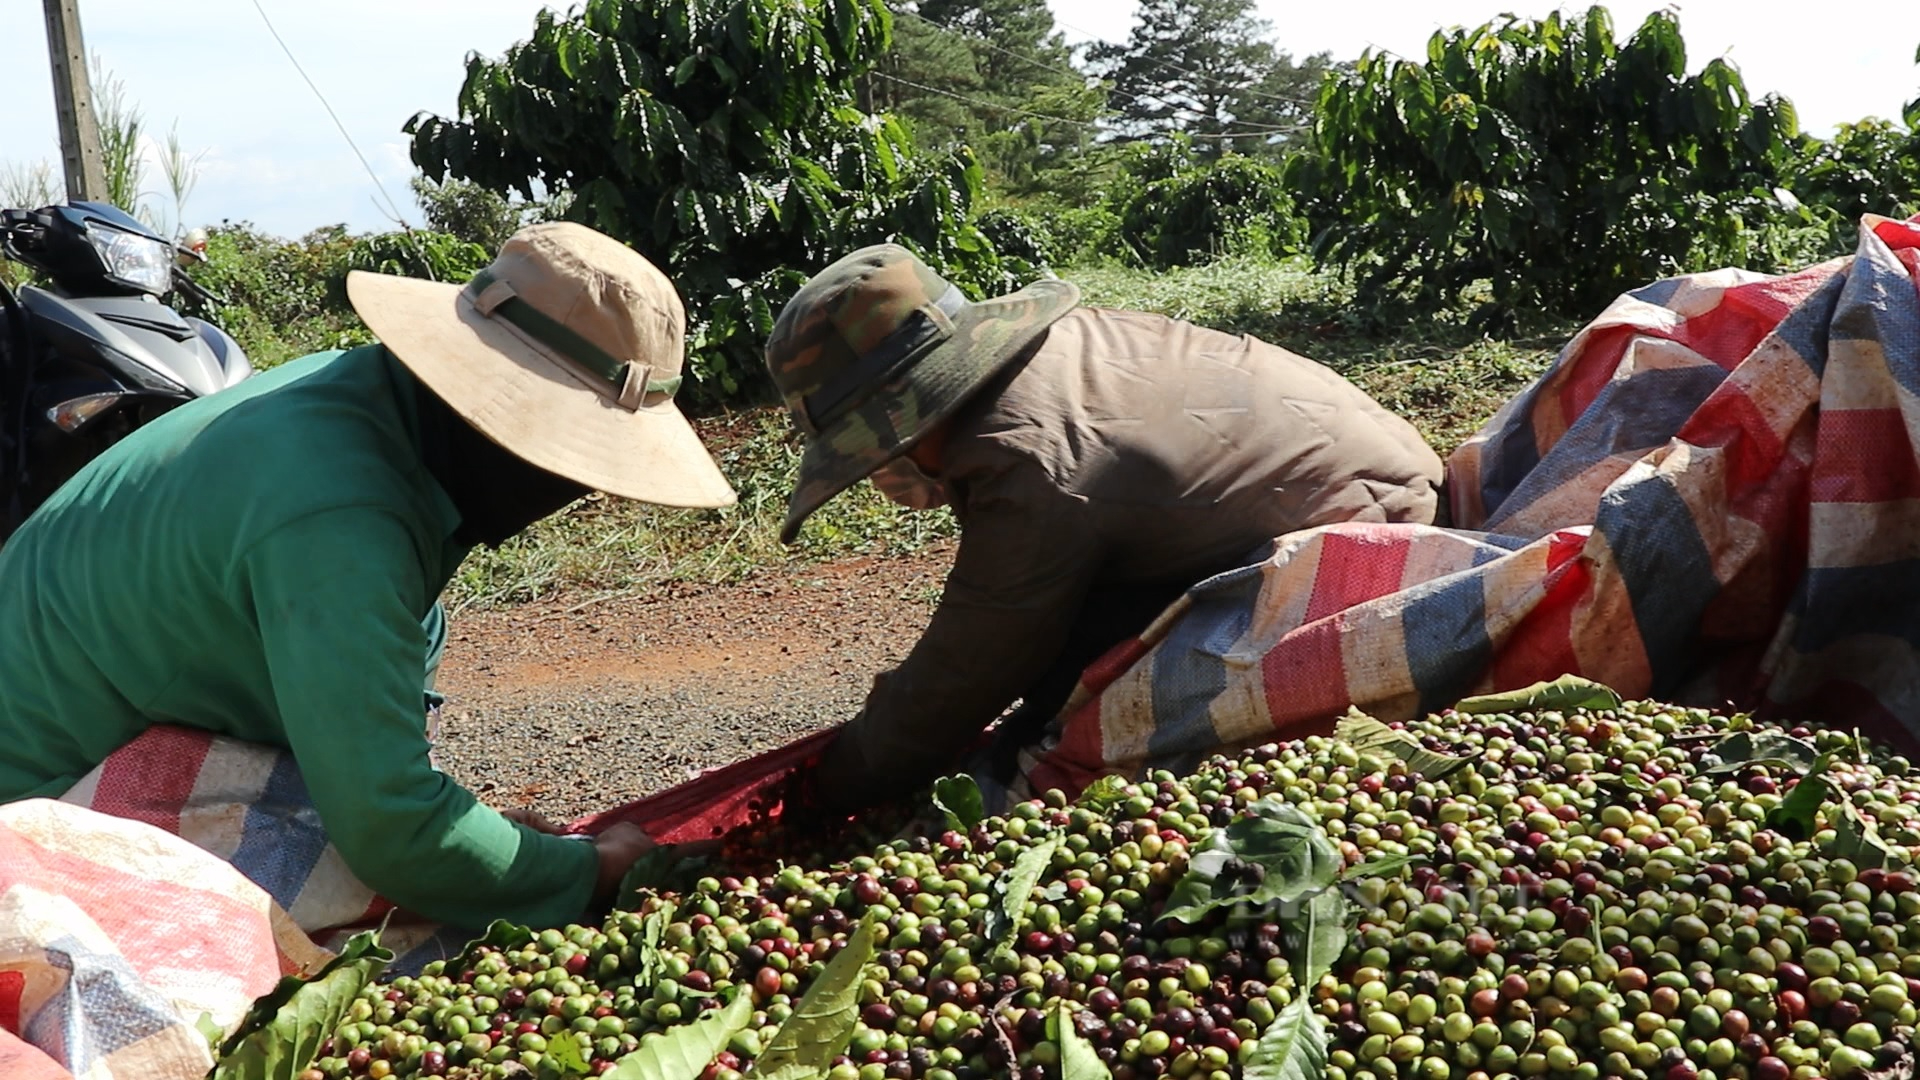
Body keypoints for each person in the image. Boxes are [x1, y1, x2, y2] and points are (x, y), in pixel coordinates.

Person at [0, 221, 736, 929]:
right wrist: (586, 873)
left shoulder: (360, 400)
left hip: (117, 730)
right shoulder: (340, 510)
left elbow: (376, 748)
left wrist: (480, 841)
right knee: (409, 944)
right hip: (35, 813)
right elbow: (390, 830)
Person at [766, 244, 1444, 811]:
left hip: (1367, 534)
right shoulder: (1056, 351)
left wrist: (828, 790)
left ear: (911, 415)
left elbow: (972, 660)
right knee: (1066, 650)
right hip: (1383, 465)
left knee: (1064, 711)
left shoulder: (1024, 457)